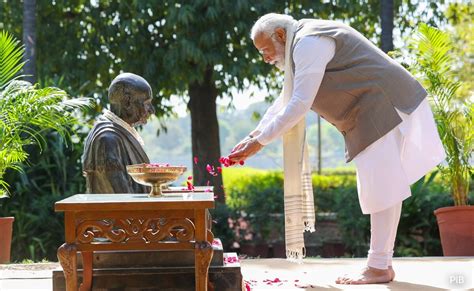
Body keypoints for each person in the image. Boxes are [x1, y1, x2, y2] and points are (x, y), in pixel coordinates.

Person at [228, 13, 446, 284]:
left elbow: (299, 103)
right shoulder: (303, 42)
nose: (265, 58)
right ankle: (380, 265)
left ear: (281, 35)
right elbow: (284, 101)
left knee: (382, 188)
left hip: (383, 104)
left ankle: (379, 267)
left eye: (265, 50)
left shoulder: (308, 42)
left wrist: (260, 142)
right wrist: (255, 135)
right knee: (381, 188)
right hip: (374, 109)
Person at [82, 72, 155, 194]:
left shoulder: (118, 132)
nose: (152, 110)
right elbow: (123, 199)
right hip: (118, 213)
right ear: (127, 102)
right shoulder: (108, 139)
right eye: (147, 103)